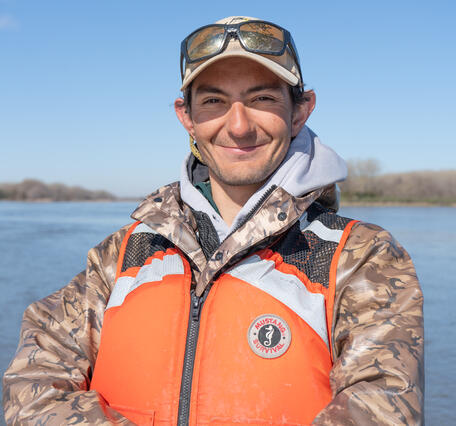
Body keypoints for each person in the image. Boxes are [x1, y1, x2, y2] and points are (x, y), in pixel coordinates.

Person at [3, 16, 424, 425]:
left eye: (262, 99)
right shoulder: (121, 255)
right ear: (185, 116)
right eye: (213, 102)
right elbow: (33, 383)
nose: (238, 126)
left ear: (300, 111)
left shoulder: (361, 256)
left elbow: (382, 409)